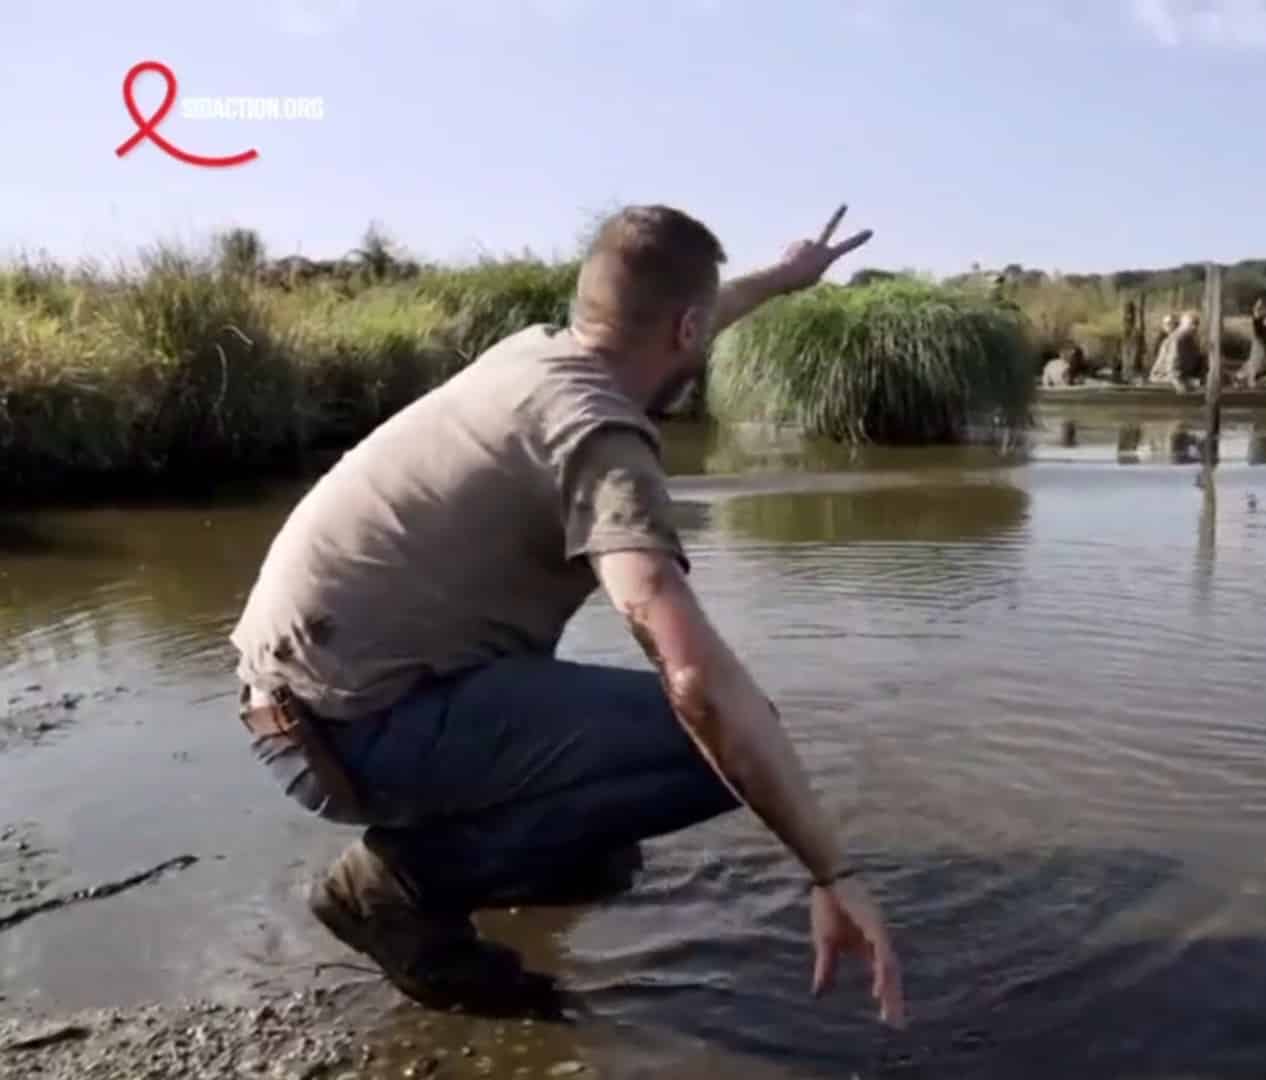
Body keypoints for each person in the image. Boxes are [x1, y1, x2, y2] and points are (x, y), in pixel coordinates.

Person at [229, 203, 907, 1026]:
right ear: (686, 328)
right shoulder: (599, 438)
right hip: (348, 735)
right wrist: (831, 873)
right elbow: (693, 679)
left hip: (295, 696)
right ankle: (396, 889)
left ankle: (531, 860)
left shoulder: (533, 353)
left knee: (616, 826)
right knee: (719, 742)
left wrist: (783, 277)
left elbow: (688, 317)